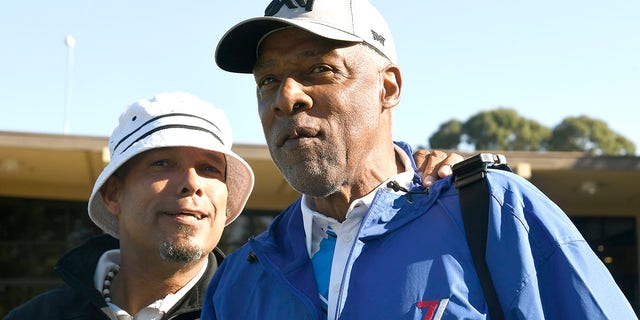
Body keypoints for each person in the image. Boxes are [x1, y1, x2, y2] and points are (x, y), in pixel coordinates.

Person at [201, 0, 636, 319]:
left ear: (387, 89)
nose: (286, 97)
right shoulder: (238, 281)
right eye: (269, 80)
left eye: (320, 70)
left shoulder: (497, 212)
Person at [4, 92, 255, 319]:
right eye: (163, 163)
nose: (192, 183)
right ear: (113, 194)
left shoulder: (262, 312)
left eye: (210, 168)